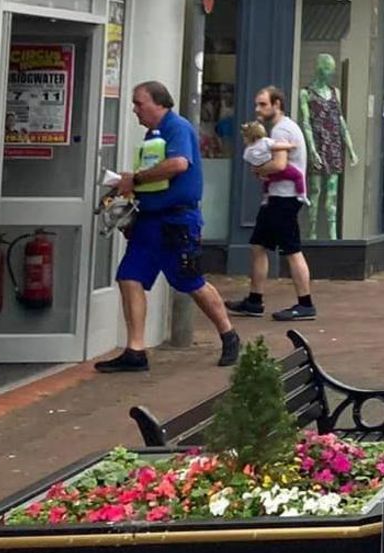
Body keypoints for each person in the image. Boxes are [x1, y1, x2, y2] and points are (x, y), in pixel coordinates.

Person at [98, 81, 242, 373]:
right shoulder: (153, 134)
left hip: (176, 221)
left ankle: (229, 334)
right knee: (129, 277)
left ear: (159, 103)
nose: (134, 110)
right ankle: (135, 350)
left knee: (190, 282)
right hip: (149, 221)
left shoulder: (177, 127)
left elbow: (178, 164)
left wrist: (135, 179)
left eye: (139, 103)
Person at [227, 86, 318, 322]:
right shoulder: (281, 128)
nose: (258, 109)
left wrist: (257, 169)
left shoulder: (282, 130)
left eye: (263, 104)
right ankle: (254, 301)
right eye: (258, 104)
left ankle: (305, 304)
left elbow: (278, 165)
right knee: (258, 245)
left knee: (292, 249)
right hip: (276, 197)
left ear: (277, 104)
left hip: (284, 199)